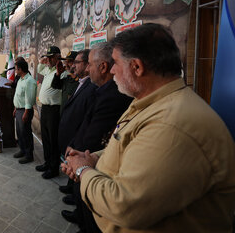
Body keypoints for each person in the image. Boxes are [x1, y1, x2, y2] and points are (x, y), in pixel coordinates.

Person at [62, 24, 235, 232]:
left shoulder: (173, 124)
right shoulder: (148, 102)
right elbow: (126, 146)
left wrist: (83, 170)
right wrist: (93, 158)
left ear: (137, 67)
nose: (112, 69)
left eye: (115, 63)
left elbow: (125, 206)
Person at [60, 43, 131, 230]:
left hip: (90, 160)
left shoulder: (113, 95)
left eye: (90, 64)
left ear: (102, 67)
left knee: (89, 216)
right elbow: (86, 121)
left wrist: (79, 155)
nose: (87, 69)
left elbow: (95, 131)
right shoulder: (101, 90)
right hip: (85, 155)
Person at [57, 49, 97, 196]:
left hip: (78, 138)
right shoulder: (79, 81)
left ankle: (76, 201)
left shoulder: (92, 87)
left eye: (76, 62)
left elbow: (86, 116)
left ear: (87, 65)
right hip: (71, 135)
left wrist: (75, 141)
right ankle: (71, 189)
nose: (73, 66)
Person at [35, 46, 63, 179]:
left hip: (54, 110)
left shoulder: (62, 72)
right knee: (45, 138)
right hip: (45, 108)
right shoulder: (47, 69)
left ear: (58, 57)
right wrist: (44, 60)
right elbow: (39, 67)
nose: (49, 60)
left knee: (53, 140)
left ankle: (54, 168)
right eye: (48, 57)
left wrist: (56, 64)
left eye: (52, 57)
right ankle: (47, 163)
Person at [12, 60, 37, 164]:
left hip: (25, 110)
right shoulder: (21, 79)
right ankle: (22, 150)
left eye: (16, 68)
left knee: (25, 133)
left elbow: (29, 99)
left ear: (20, 69)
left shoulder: (29, 81)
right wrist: (15, 108)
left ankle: (28, 154)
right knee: (19, 132)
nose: (15, 70)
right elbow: (19, 96)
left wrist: (26, 112)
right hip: (19, 109)